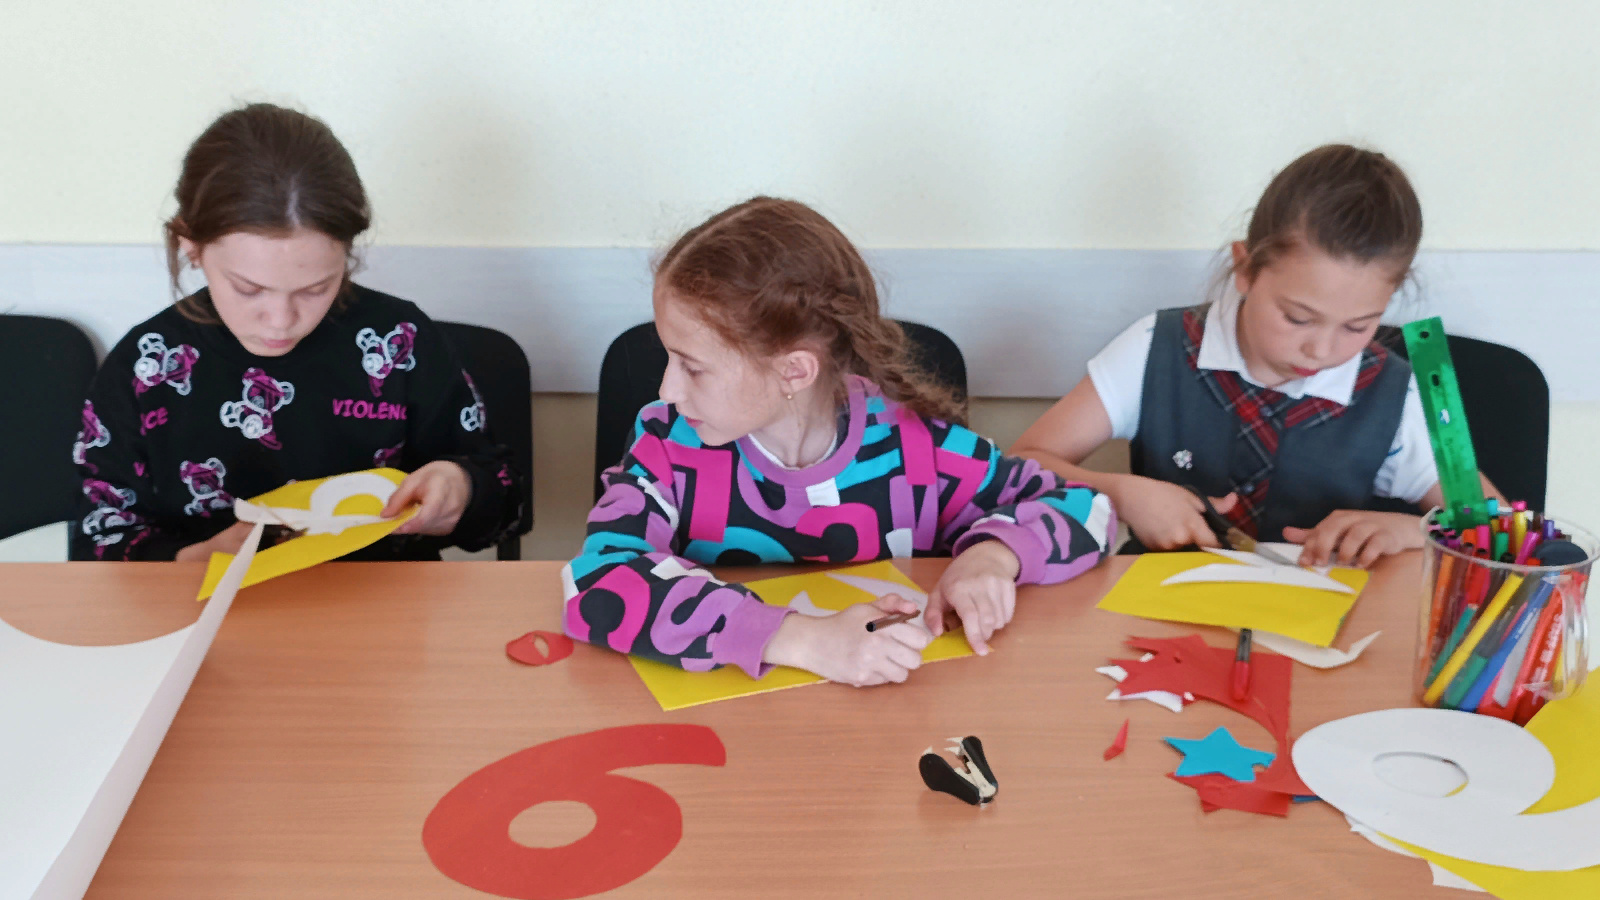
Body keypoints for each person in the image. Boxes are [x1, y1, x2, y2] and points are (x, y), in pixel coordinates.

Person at [564, 197, 1115, 687]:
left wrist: (994, 556)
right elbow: (599, 582)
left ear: (794, 371)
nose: (666, 389)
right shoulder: (666, 445)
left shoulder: (918, 449)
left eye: (692, 367)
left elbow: (1086, 509)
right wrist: (804, 640)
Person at [72, 103, 522, 561]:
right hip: (200, 602)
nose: (281, 320)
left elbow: (505, 502)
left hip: (380, 599)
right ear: (191, 245)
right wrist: (193, 559)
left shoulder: (399, 342)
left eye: (316, 288)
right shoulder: (147, 365)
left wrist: (461, 488)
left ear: (346, 253)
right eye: (249, 289)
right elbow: (99, 540)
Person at [1013, 144, 1496, 568]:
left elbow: (1499, 528)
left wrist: (1414, 530)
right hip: (1164, 616)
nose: (1321, 350)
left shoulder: (1409, 386)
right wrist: (1118, 492)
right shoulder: (1152, 345)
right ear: (1245, 269)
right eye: (1298, 317)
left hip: (1324, 627)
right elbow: (1020, 462)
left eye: (1358, 326)